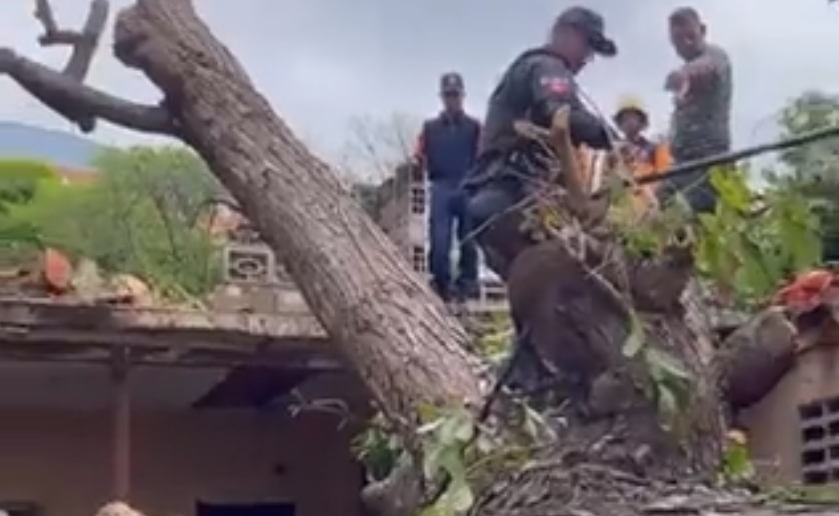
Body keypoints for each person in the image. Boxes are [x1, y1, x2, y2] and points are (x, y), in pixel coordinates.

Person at [462, 6, 617, 389]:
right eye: (587, 47)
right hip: (508, 200)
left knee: (538, 294)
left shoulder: (526, 71)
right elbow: (559, 113)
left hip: (490, 209)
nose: (586, 60)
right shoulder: (546, 66)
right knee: (574, 272)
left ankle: (528, 375)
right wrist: (607, 135)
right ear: (567, 33)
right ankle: (563, 373)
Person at [414, 73, 482, 304]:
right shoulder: (430, 128)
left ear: (462, 96)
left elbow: (484, 156)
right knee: (439, 240)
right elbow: (418, 156)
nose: (452, 100)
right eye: (448, 95)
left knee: (469, 240)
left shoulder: (474, 127)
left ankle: (467, 286)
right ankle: (441, 284)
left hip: (467, 185)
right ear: (442, 97)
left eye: (456, 95)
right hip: (441, 185)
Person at [659, 7, 732, 215]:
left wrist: (685, 74)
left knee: (699, 218)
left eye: (690, 35)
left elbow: (706, 68)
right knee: (657, 203)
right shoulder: (690, 66)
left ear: (702, 30)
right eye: (677, 40)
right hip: (682, 162)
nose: (684, 43)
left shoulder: (716, 56)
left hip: (708, 160)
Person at [611, 96, 673, 212]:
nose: (629, 122)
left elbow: (666, 178)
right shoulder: (614, 152)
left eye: (633, 117)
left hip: (651, 203)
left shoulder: (656, 148)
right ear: (619, 124)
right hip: (625, 208)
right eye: (625, 118)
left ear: (642, 122)